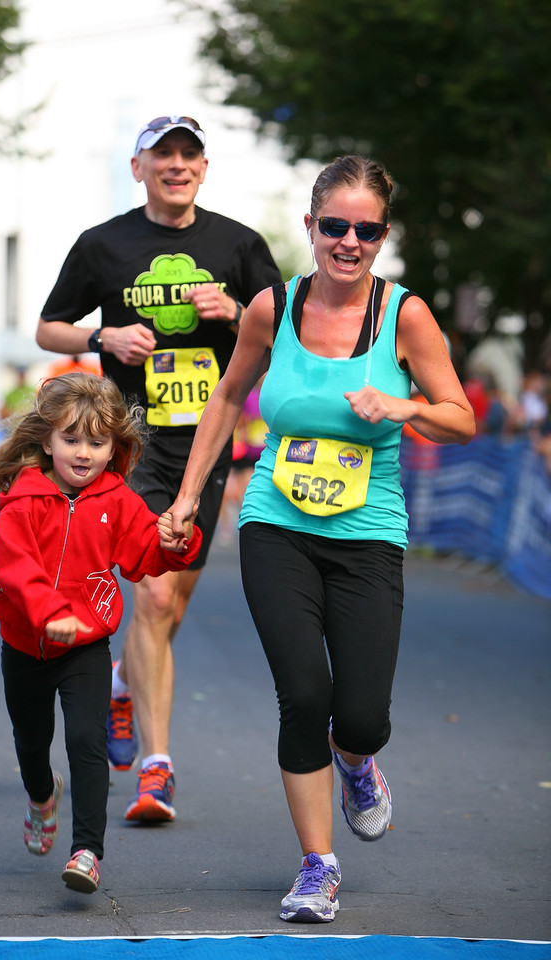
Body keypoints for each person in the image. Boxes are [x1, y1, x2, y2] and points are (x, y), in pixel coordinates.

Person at [165, 155, 476, 923]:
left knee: (362, 713)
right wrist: (189, 495)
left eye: (365, 230)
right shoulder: (272, 307)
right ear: (310, 226)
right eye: (333, 225)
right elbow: (228, 396)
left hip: (369, 533)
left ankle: (357, 758)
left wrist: (403, 410)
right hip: (278, 524)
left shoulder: (405, 316)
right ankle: (317, 864)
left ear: (382, 236)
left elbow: (462, 416)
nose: (348, 241)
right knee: (303, 694)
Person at [35, 115, 281, 822]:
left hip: (206, 447)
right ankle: (157, 769)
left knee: (169, 606)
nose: (177, 165)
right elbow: (48, 326)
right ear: (139, 167)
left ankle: (123, 684)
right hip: (133, 445)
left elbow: (283, 326)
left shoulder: (237, 244)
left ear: (204, 168)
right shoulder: (104, 244)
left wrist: (235, 310)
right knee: (150, 598)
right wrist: (99, 335)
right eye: (162, 154)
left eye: (189, 154)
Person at [0, 373, 201, 893]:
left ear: (113, 448)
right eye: (72, 440)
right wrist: (46, 612)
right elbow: (12, 567)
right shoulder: (24, 497)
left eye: (98, 443)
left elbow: (144, 554)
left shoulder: (117, 499)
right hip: (26, 643)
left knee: (87, 740)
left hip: (84, 644)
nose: (84, 453)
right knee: (32, 744)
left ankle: (86, 852)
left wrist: (176, 541)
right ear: (47, 440)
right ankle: (42, 797)